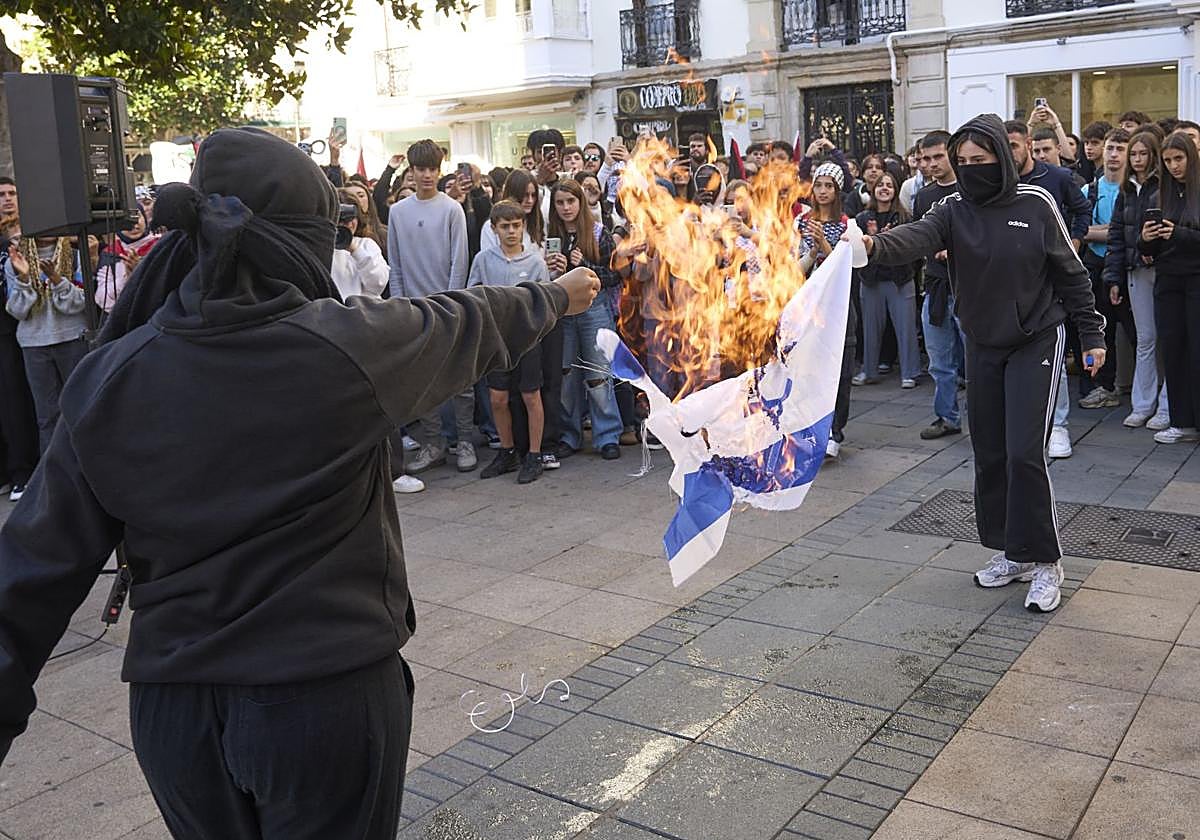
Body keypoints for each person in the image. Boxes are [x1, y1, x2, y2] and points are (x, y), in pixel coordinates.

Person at [0, 127, 601, 838]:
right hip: (322, 700)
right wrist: (558, 295)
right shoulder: (344, 348)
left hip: (176, 713)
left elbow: (29, 572)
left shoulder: (111, 375)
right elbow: (468, 321)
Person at [862, 113, 1106, 613]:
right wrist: (867, 245)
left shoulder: (1036, 204)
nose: (971, 169)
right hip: (982, 342)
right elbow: (915, 238)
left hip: (1036, 338)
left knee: (1024, 452)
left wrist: (1092, 333)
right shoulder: (952, 209)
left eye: (981, 160)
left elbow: (1072, 272)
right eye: (963, 162)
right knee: (990, 453)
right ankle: (1010, 552)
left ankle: (1045, 561)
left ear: (1002, 157)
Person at [387, 139, 476, 473]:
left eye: (432, 169)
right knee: (423, 381)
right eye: (420, 169)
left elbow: (459, 261)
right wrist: (401, 305)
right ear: (411, 171)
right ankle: (433, 442)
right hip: (413, 310)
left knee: (461, 379)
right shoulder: (397, 212)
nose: (426, 175)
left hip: (449, 307)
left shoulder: (451, 209)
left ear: (440, 171)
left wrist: (452, 304)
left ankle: (464, 439)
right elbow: (394, 263)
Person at [469, 201, 554, 484]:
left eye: (516, 226)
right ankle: (507, 450)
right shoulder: (483, 259)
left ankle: (534, 453)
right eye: (505, 226)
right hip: (497, 338)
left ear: (523, 227)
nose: (511, 232)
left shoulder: (535, 261)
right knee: (498, 397)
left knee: (531, 395)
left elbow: (546, 302)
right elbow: (473, 293)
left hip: (527, 337)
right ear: (494, 229)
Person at [546, 179, 623, 461]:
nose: (566, 208)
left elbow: (614, 276)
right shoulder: (550, 234)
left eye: (571, 201)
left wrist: (584, 267)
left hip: (594, 309)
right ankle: (570, 435)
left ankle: (607, 435)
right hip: (563, 310)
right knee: (566, 375)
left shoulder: (598, 232)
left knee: (599, 375)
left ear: (580, 203)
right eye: (560, 202)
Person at [1138, 131, 1200, 444]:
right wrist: (1146, 239)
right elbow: (1144, 250)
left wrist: (1178, 234)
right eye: (1168, 160)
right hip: (1167, 279)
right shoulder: (1158, 195)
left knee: (1196, 350)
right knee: (1173, 350)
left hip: (1196, 279)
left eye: (1179, 158)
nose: (1174, 166)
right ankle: (1182, 420)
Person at [1106, 129, 1169, 430]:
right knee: (1145, 339)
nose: (1138, 159)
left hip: (1164, 269)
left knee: (1169, 338)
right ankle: (1143, 405)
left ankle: (1167, 407)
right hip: (1135, 270)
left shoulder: (1165, 185)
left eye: (1144, 153)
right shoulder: (1126, 189)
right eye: (1135, 154)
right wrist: (1113, 277)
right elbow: (1117, 235)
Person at [4, 233, 88, 454]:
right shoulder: (15, 260)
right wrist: (23, 279)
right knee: (48, 417)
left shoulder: (77, 255)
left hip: (72, 339)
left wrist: (57, 280)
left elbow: (80, 302)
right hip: (34, 345)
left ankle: (86, 471)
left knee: (80, 408)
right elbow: (17, 311)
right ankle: (52, 480)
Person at [913, 130, 966, 441]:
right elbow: (920, 235)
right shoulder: (923, 196)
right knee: (939, 361)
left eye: (937, 157)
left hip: (969, 287)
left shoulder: (969, 191)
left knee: (977, 360)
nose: (931, 164)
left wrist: (955, 251)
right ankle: (947, 416)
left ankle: (990, 420)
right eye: (926, 158)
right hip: (935, 287)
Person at [799, 162, 853, 458]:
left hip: (838, 304)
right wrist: (810, 251)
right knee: (810, 369)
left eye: (828, 186)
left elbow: (843, 267)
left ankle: (836, 430)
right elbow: (797, 267)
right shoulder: (801, 223)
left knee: (841, 369)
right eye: (818, 185)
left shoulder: (847, 224)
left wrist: (824, 244)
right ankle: (812, 428)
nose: (822, 191)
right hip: (810, 304)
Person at [1079, 129, 1135, 411]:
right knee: (1098, 329)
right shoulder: (1089, 190)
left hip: (1125, 266)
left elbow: (1126, 233)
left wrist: (1102, 231)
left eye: (1121, 149)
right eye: (1110, 148)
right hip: (1094, 265)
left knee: (1136, 332)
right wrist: (1111, 231)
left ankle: (1142, 388)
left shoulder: (1134, 190)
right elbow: (1077, 230)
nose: (1114, 155)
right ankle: (1101, 385)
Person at [853, 170, 920, 389]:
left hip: (899, 280)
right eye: (881, 185)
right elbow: (856, 249)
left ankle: (910, 373)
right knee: (870, 328)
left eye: (889, 185)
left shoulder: (904, 217)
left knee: (905, 328)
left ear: (896, 190)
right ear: (873, 189)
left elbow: (912, 248)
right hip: (871, 280)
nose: (884, 189)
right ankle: (868, 371)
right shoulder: (863, 218)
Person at [0, 217, 37, 501]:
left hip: (12, 330)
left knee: (17, 403)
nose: (7, 200)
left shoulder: (11, 248)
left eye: (11, 194)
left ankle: (23, 473)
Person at [95, 206, 163, 312]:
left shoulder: (161, 246)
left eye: (137, 216)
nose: (134, 225)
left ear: (145, 218)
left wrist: (141, 271)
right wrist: (127, 278)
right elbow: (102, 299)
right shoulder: (110, 253)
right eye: (126, 221)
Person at [331, 192, 389, 300]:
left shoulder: (367, 245)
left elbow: (378, 284)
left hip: (364, 312)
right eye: (340, 220)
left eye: (351, 218)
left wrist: (355, 251)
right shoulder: (322, 248)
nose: (347, 224)